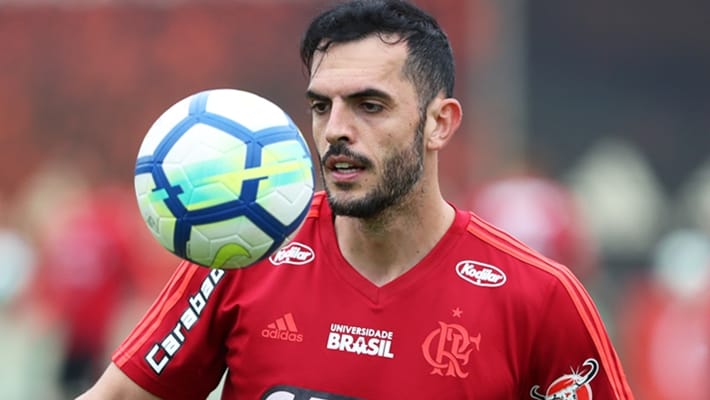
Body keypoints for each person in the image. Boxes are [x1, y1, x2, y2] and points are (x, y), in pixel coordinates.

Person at [77, 0, 633, 398]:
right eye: (322, 106)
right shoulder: (247, 247)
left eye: (370, 105)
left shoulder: (540, 298)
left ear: (440, 123)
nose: (335, 130)